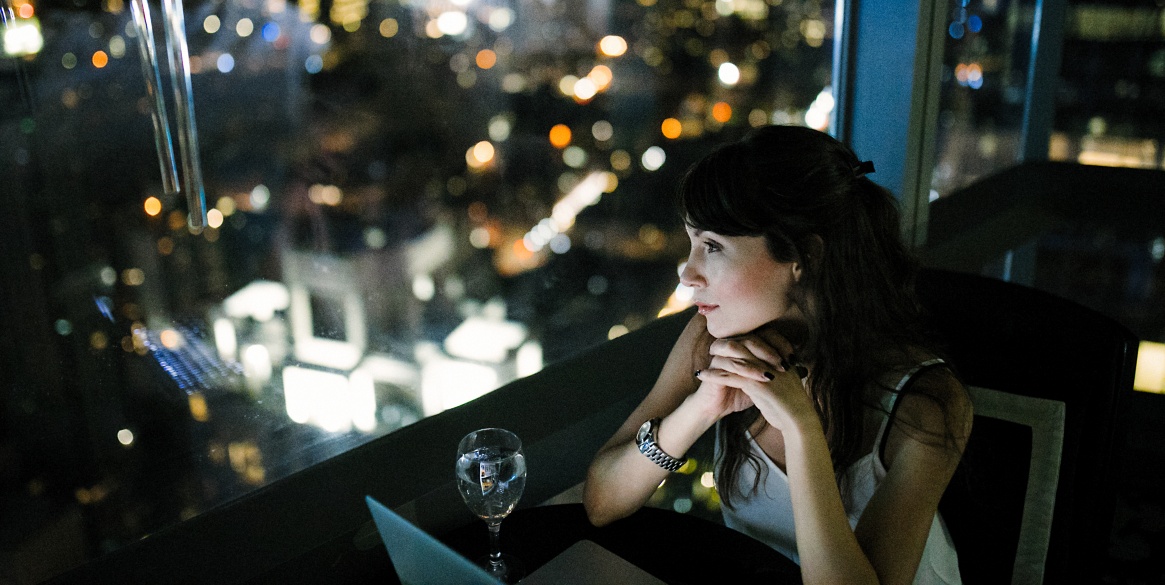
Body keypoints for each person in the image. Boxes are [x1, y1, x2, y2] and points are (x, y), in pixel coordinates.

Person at [583, 125, 972, 585]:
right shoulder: (708, 341)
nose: (687, 273)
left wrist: (800, 428)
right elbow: (602, 503)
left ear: (802, 255)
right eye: (692, 243)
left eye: (712, 246)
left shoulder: (925, 406)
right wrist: (700, 408)